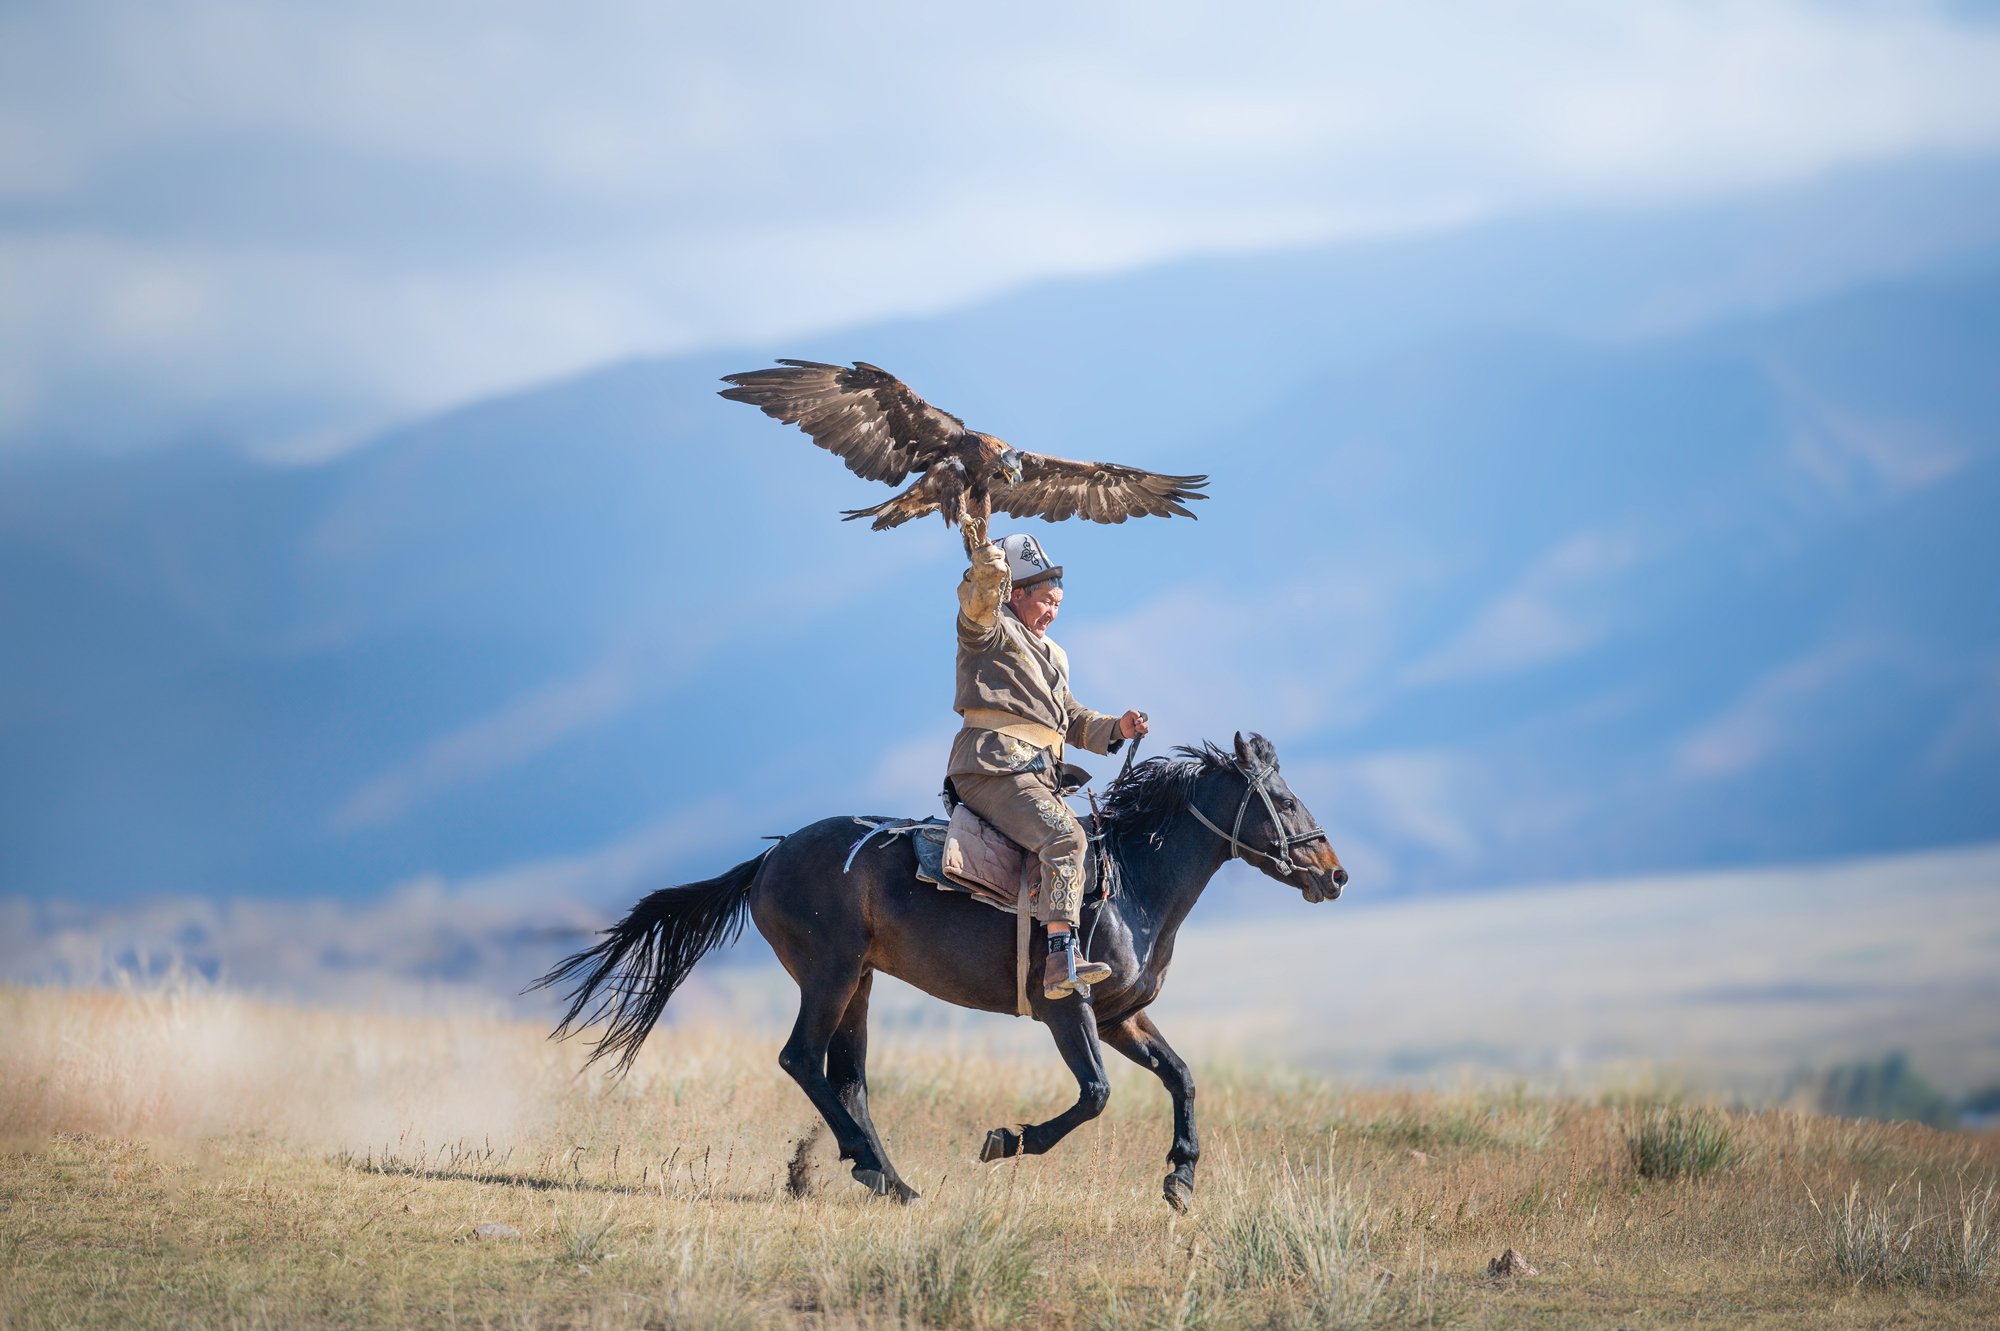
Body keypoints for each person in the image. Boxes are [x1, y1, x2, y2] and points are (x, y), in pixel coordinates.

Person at [947, 521, 1150, 999]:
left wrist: (1115, 728)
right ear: (1015, 594)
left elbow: (1071, 718)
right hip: (991, 766)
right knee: (1064, 837)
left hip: (1036, 771)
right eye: (1045, 603)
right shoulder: (989, 630)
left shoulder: (1055, 654)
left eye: (1058, 605)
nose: (1053, 613)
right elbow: (978, 603)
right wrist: (988, 567)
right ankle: (1061, 955)